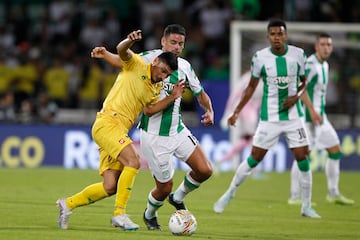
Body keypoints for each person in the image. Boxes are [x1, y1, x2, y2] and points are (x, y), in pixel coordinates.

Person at [56, 29, 184, 231]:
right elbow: (121, 51)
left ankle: (67, 204)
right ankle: (119, 214)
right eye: (163, 71)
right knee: (133, 161)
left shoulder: (156, 88)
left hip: (118, 131)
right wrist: (129, 41)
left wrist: (172, 97)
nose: (163, 76)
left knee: (110, 187)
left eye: (167, 74)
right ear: (156, 62)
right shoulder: (137, 65)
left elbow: (149, 111)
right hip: (108, 123)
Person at [91, 24, 214, 231]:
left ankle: (179, 197)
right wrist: (106, 55)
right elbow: (125, 61)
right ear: (163, 42)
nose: (176, 47)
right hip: (155, 136)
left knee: (205, 170)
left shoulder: (184, 66)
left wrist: (209, 110)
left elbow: (199, 92)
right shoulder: (151, 60)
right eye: (173, 42)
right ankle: (149, 214)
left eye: (181, 44)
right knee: (164, 187)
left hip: (178, 129)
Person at [213, 19, 321, 218]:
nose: (277, 37)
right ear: (268, 36)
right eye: (273, 34)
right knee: (254, 158)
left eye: (280, 33)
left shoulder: (298, 55)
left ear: (286, 35)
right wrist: (236, 111)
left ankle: (306, 206)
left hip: (293, 117)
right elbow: (251, 87)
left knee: (302, 157)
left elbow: (305, 82)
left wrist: (296, 96)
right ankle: (229, 193)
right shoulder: (260, 58)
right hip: (269, 118)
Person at [288, 33, 354, 205]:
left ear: (331, 48)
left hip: (320, 117)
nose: (326, 47)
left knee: (335, 150)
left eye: (328, 45)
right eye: (322, 44)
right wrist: (312, 111)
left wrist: (318, 113)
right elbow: (300, 89)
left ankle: (333, 193)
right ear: (316, 46)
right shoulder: (311, 64)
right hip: (309, 118)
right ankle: (294, 196)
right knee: (303, 156)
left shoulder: (324, 65)